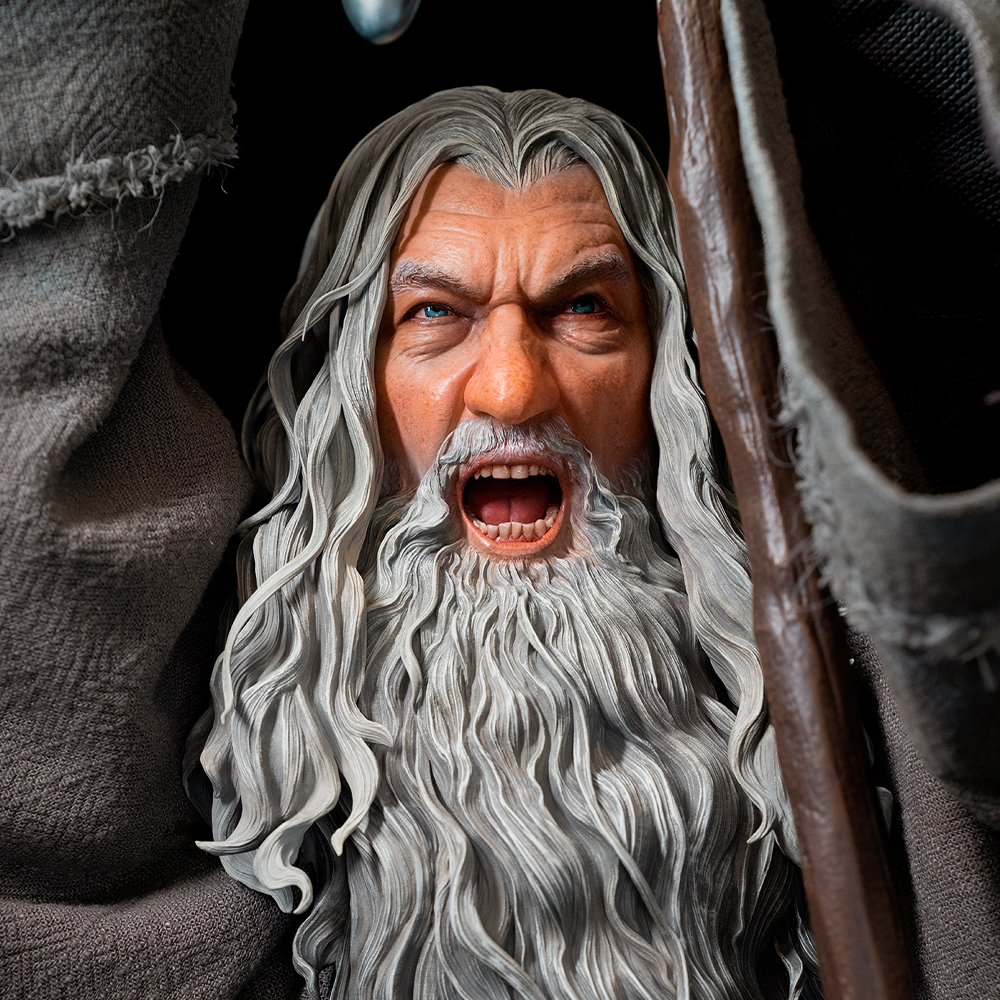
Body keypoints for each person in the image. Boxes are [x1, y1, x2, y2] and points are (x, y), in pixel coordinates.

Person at [187, 87, 820, 1000]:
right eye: (435, 314)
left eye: (584, 308)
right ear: (350, 391)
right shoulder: (227, 741)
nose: (514, 391)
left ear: (672, 379)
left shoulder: (841, 712)